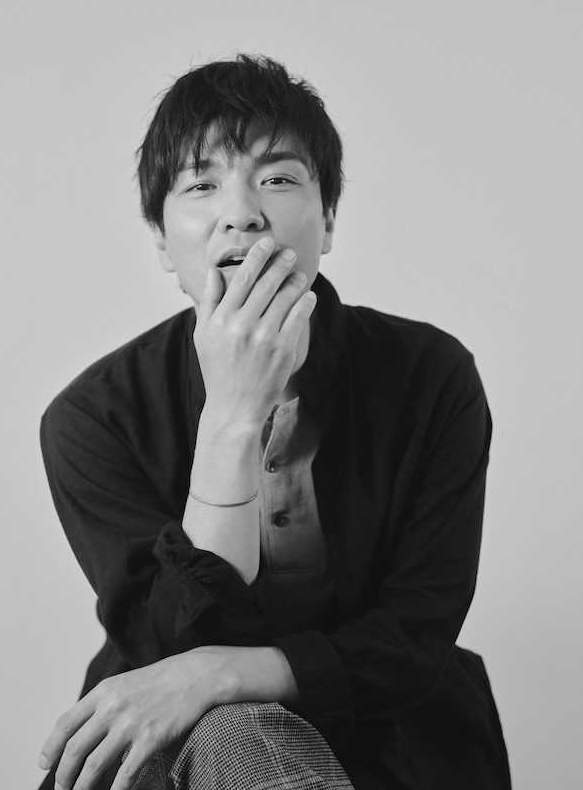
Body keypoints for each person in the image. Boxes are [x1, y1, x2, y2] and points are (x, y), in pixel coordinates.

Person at [37, 55, 512, 790]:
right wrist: (232, 414)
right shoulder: (93, 418)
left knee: (235, 720)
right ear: (161, 240)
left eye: (279, 178)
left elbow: (413, 637)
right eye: (201, 184)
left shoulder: (431, 375)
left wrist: (226, 672)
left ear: (329, 218)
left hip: (395, 739)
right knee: (231, 729)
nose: (242, 213)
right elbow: (170, 654)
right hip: (172, 748)